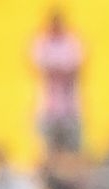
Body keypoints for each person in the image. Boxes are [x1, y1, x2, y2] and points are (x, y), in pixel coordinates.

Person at [32, 6, 83, 160]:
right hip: (48, 106)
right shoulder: (41, 41)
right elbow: (39, 66)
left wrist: (56, 69)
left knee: (72, 152)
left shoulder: (72, 41)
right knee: (48, 151)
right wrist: (60, 69)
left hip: (70, 106)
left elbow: (76, 66)